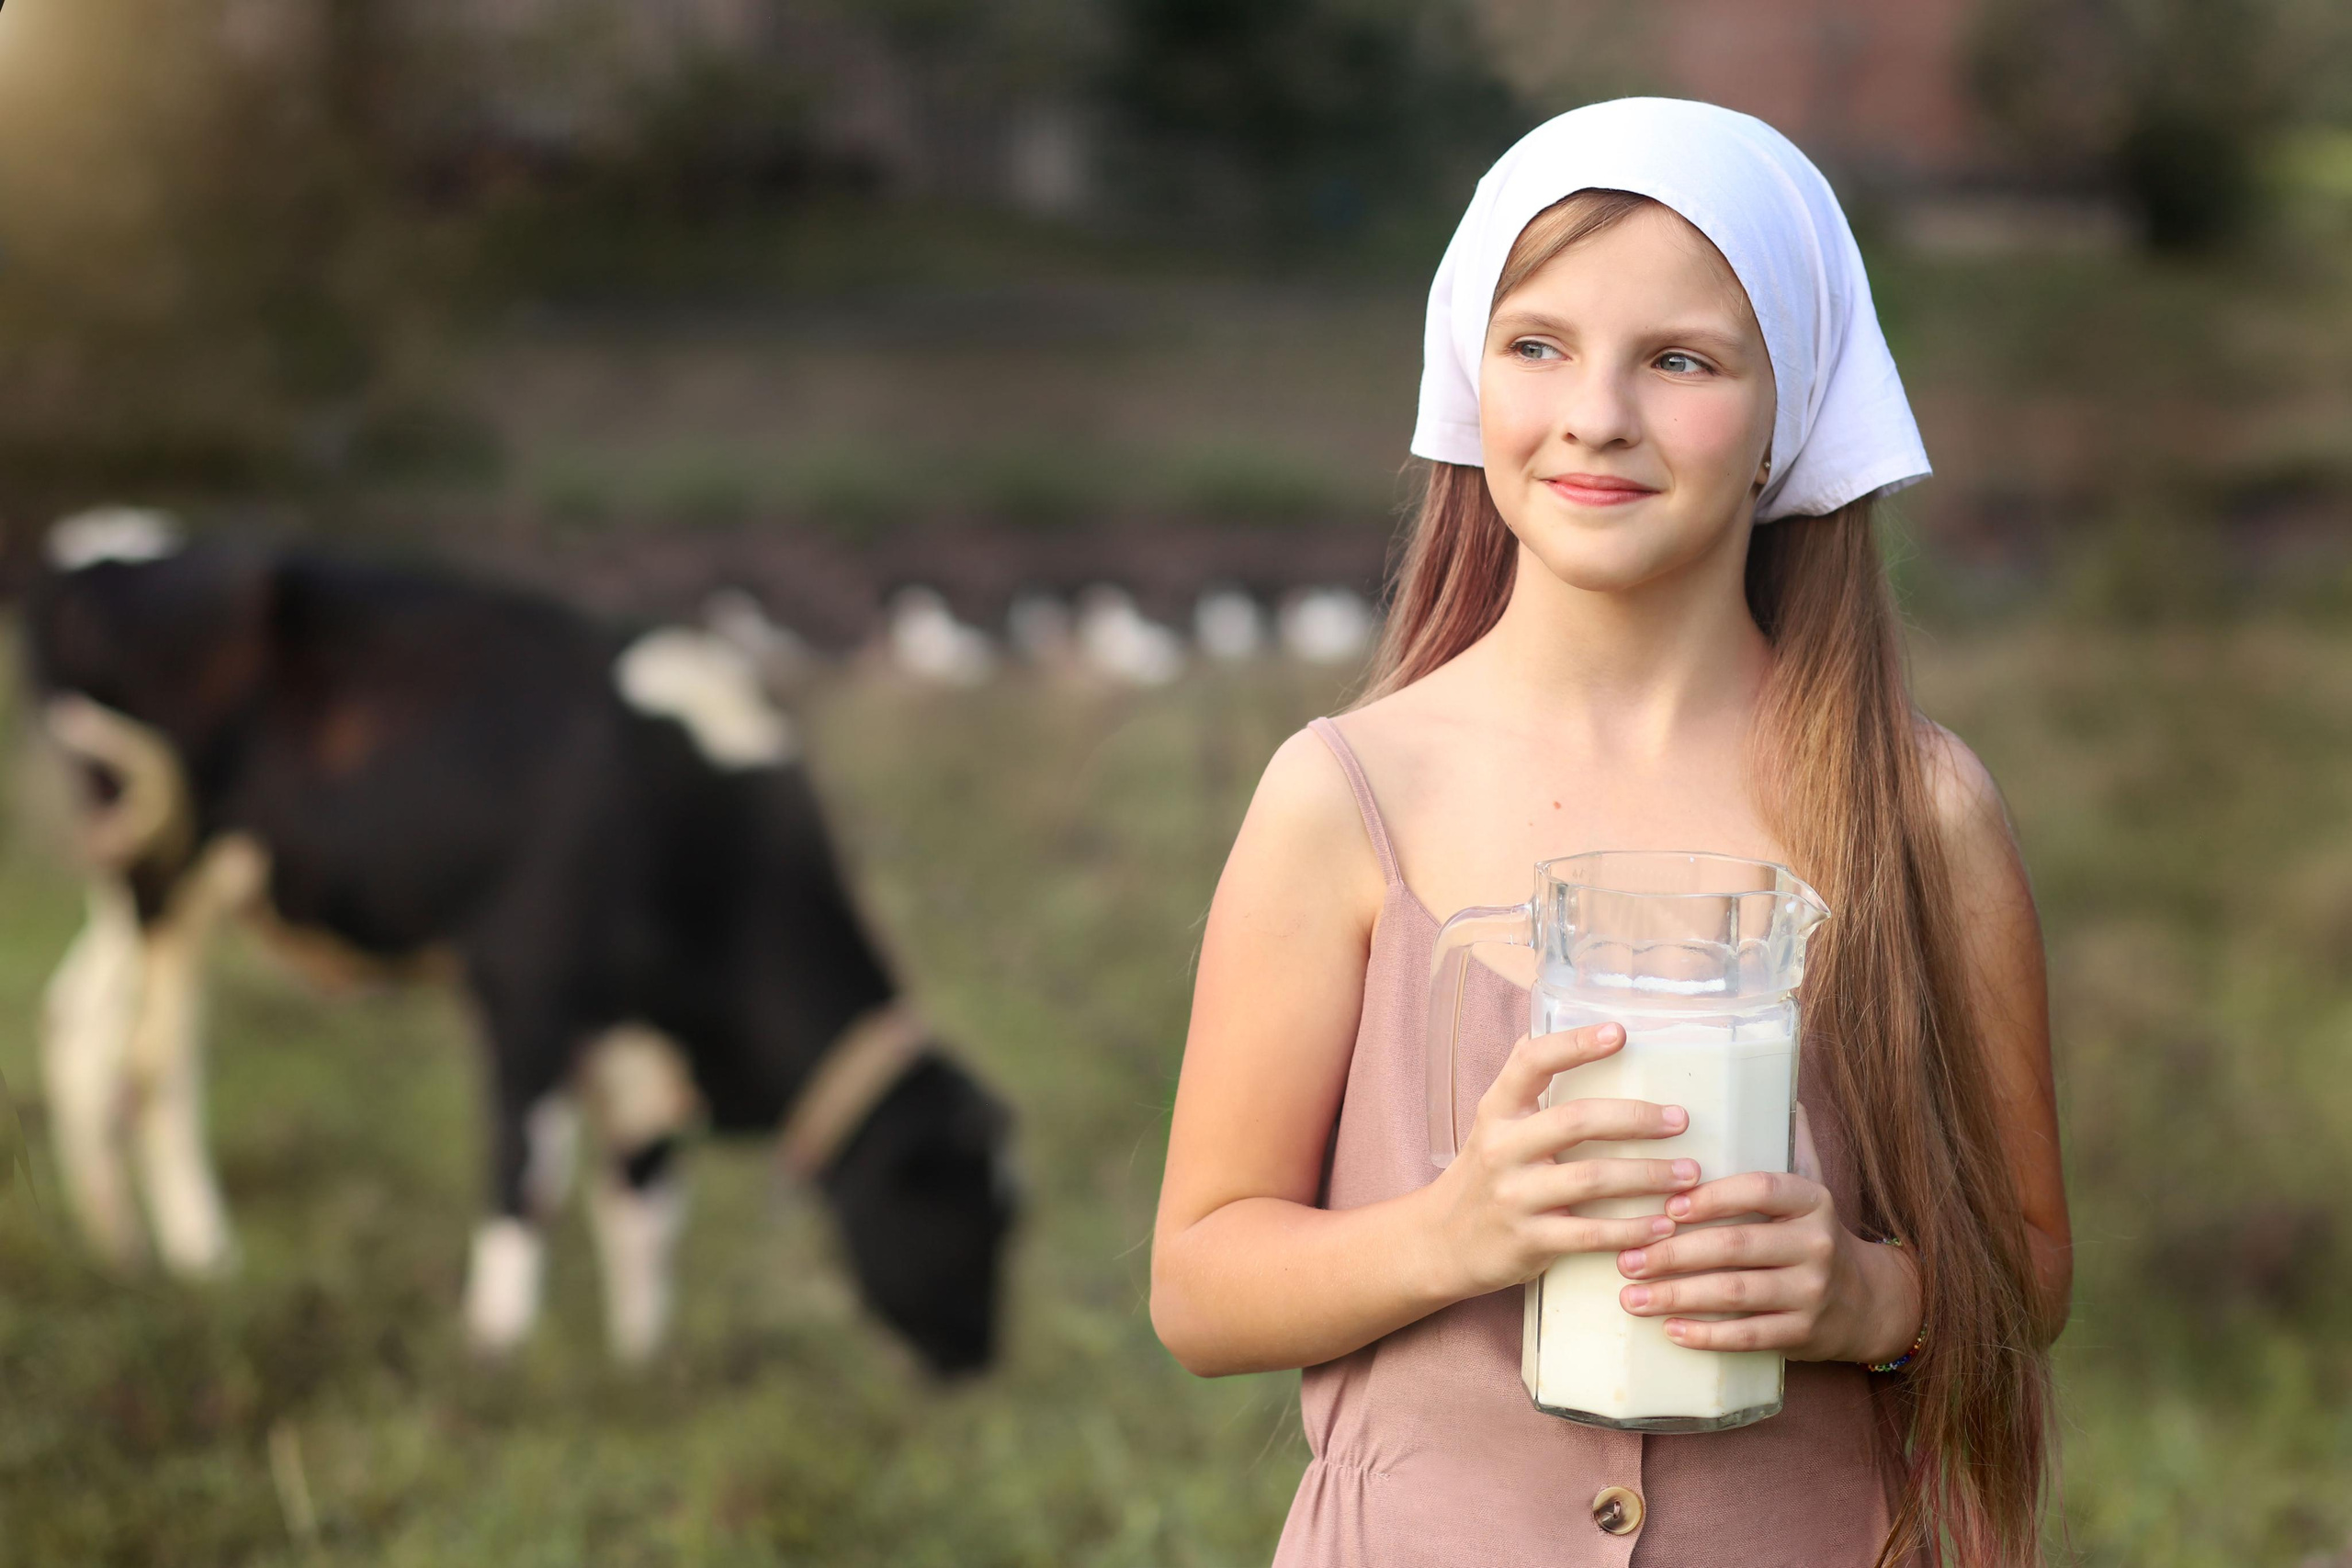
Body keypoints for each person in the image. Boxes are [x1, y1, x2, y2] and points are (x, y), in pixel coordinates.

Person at [1150, 99, 2069, 1567]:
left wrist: (1873, 1301)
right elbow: (1200, 1287)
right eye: (1538, 346)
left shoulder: (1918, 812)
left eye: (1681, 361)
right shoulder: (1347, 796)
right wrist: (1449, 1232)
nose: (1595, 415)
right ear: (1471, 374)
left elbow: (2026, 1269)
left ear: (1789, 411)